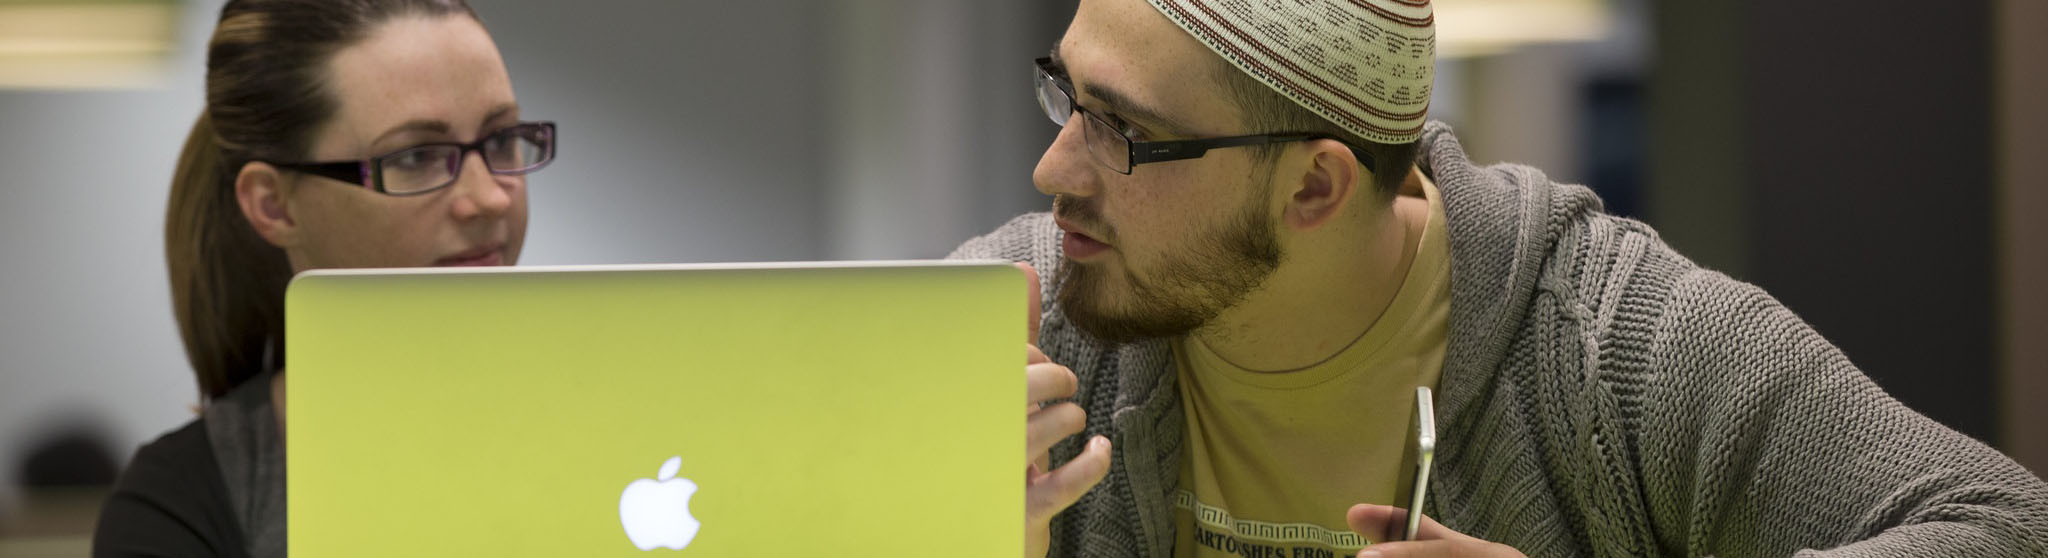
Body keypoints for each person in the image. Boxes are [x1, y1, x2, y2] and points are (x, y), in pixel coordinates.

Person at [952, 0, 2048, 556]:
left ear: (1315, 188)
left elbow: (2003, 526)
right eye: (1066, 96)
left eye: (1123, 132)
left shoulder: (1612, 343)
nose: (1052, 169)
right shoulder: (1008, 323)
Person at [93, 1, 553, 555]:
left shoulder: (630, 429)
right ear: (274, 206)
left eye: (501, 139)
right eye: (416, 156)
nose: (488, 198)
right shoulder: (180, 504)